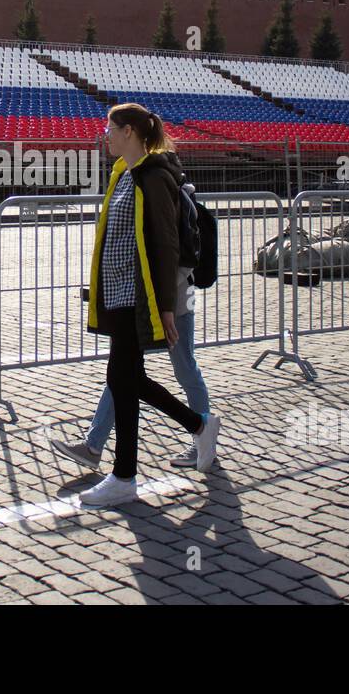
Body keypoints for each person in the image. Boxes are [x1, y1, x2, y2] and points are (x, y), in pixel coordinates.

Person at [65, 103, 222, 508]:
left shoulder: (152, 177)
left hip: (139, 297)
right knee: (126, 380)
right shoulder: (123, 173)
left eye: (111, 128)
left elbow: (165, 243)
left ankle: (125, 476)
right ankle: (197, 427)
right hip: (117, 293)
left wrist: (166, 307)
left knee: (124, 379)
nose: (106, 135)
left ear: (130, 132)